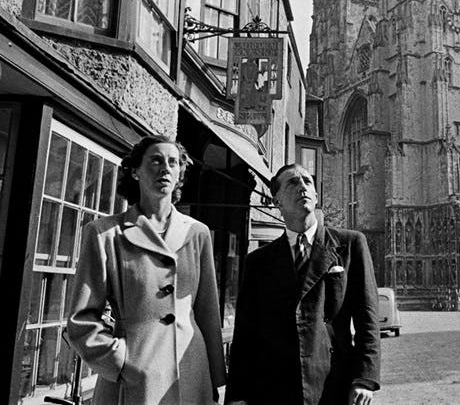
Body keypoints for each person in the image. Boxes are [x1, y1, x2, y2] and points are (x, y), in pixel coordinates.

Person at [68, 135, 226, 404]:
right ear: (135, 171)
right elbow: (82, 320)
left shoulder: (197, 233)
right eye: (156, 160)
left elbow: (208, 314)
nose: (165, 168)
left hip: (191, 373)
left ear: (179, 175)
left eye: (173, 163)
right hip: (132, 379)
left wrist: (217, 382)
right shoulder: (105, 234)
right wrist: (120, 361)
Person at [226, 164, 381, 405]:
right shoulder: (259, 261)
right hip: (273, 387)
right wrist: (238, 395)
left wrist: (364, 378)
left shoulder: (350, 244)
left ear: (316, 196)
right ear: (277, 201)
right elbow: (246, 332)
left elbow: (367, 318)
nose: (303, 187)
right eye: (292, 183)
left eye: (307, 182)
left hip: (333, 383)